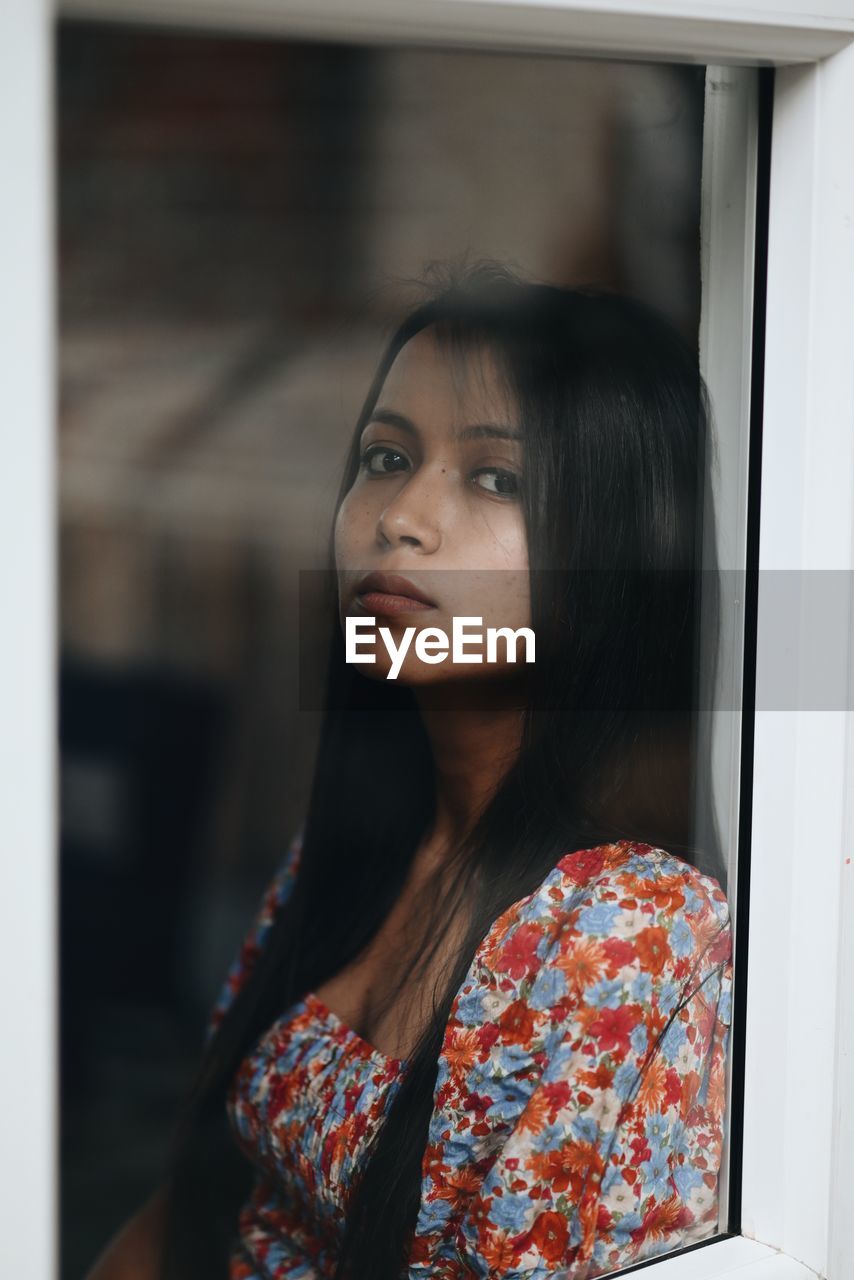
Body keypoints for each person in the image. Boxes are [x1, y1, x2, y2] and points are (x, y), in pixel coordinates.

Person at [86, 260, 733, 1280]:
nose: (401, 517)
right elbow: (192, 1210)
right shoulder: (355, 841)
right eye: (385, 455)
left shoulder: (631, 932)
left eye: (493, 477)